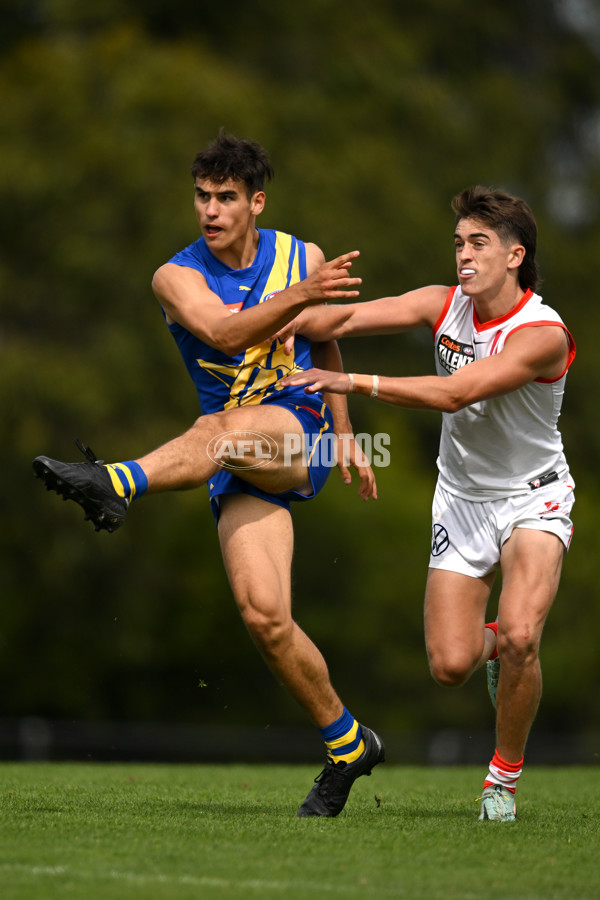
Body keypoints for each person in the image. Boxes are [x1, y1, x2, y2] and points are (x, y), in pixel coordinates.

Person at [32, 130, 385, 817]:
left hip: (294, 429)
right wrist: (303, 295)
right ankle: (348, 743)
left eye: (226, 198)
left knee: (217, 434)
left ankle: (117, 483)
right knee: (265, 618)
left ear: (257, 202)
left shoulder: (299, 255)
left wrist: (346, 434)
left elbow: (326, 337)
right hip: (228, 451)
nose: (211, 210)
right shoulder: (176, 277)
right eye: (202, 196)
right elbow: (225, 337)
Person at [281, 186, 576, 822]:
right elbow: (342, 322)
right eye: (459, 244)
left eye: (479, 244)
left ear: (515, 256)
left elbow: (457, 393)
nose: (463, 257)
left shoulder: (543, 334)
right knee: (451, 665)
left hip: (534, 497)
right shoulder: (441, 303)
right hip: (462, 500)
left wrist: (350, 381)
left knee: (525, 634)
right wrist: (284, 307)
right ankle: (493, 648)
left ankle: (501, 781)